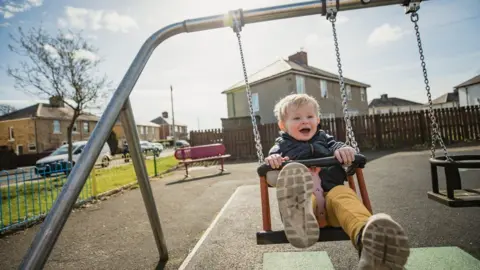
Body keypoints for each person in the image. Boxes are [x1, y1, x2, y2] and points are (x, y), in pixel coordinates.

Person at [264, 93, 410, 269]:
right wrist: (274, 160)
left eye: (310, 116)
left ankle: (367, 239)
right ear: (283, 125)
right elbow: (272, 160)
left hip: (332, 206)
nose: (304, 121)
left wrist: (345, 151)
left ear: (317, 120)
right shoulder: (282, 147)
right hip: (309, 204)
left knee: (343, 196)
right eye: (296, 118)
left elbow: (339, 147)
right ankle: (299, 218)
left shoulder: (326, 141)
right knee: (298, 188)